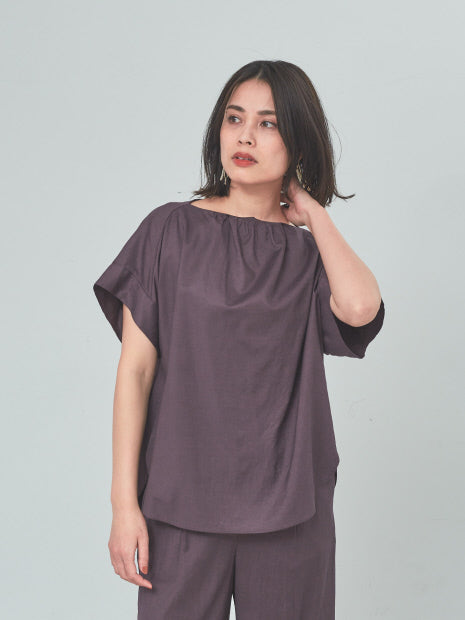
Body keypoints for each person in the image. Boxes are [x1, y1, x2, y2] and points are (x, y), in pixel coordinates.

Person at [93, 59, 385, 619]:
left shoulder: (309, 256)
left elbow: (359, 308)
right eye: (234, 118)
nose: (245, 136)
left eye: (268, 123)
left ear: (297, 143)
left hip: (291, 509)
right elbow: (135, 371)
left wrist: (314, 214)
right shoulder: (168, 230)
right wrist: (123, 505)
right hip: (178, 504)